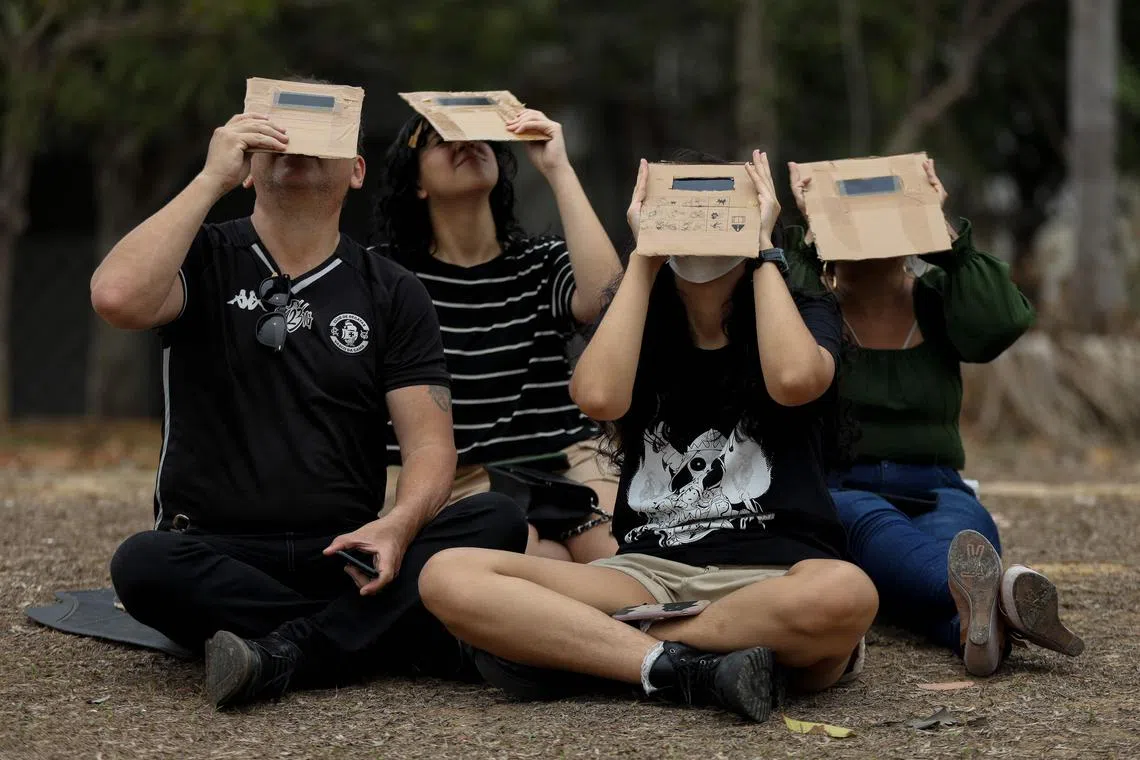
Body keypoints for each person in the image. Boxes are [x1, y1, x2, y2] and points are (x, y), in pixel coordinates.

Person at [416, 152, 879, 724]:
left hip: (777, 576)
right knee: (447, 573)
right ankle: (689, 667)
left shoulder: (803, 308)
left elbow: (793, 381)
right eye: (677, 207)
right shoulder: (640, 319)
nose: (699, 221)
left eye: (721, 205)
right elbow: (597, 398)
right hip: (647, 574)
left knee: (847, 593)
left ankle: (614, 650)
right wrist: (642, 258)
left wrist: (761, 251)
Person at [90, 106, 528, 709]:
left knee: (496, 518)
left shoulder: (392, 289)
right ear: (248, 168)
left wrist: (396, 529)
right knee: (143, 563)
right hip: (217, 549)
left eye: (320, 135)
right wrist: (207, 179)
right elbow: (115, 297)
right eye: (277, 134)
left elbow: (429, 446)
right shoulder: (201, 255)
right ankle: (389, 636)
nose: (294, 144)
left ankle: (289, 649)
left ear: (355, 169)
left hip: (345, 552)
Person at [785, 158, 1084, 677]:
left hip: (937, 485)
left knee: (961, 536)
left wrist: (945, 235)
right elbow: (774, 315)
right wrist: (812, 230)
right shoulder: (810, 308)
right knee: (875, 531)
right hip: (841, 489)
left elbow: (1003, 323)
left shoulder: (940, 302)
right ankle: (995, 604)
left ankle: (975, 626)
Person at [372, 109, 624, 563]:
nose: (464, 143)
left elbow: (606, 300)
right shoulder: (384, 275)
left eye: (474, 136)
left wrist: (557, 167)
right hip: (449, 475)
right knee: (534, 558)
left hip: (564, 458)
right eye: (441, 138)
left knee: (619, 555)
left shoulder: (540, 261)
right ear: (416, 184)